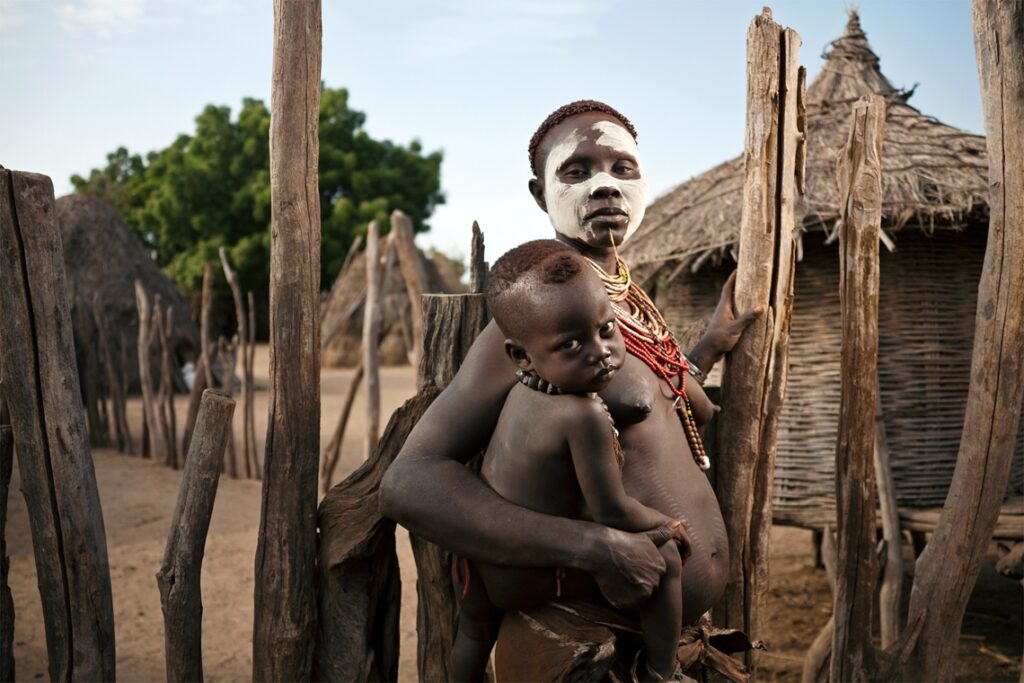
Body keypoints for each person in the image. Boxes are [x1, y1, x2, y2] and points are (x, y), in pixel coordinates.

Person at [380, 100, 761, 676]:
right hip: (582, 646)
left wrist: (706, 348)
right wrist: (597, 547)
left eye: (622, 168)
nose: (605, 185)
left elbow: (654, 404)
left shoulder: (619, 306)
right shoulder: (542, 324)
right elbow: (410, 482)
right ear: (541, 195)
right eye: (577, 170)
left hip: (661, 637)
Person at [451, 240, 706, 682]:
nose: (600, 351)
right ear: (519, 355)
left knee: (472, 636)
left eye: (606, 329)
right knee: (664, 558)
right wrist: (668, 526)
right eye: (572, 344)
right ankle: (663, 674)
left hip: (480, 564)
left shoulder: (519, 396)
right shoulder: (582, 414)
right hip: (531, 573)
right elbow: (613, 510)